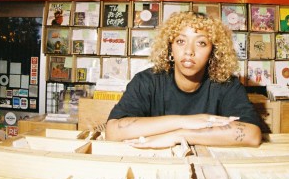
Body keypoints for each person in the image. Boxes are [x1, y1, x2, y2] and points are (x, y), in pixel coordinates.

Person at [105, 10, 262, 148]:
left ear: (213, 52)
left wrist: (179, 135)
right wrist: (187, 121)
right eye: (180, 41)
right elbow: (112, 131)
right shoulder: (146, 81)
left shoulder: (226, 85)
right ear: (170, 48)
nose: (189, 51)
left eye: (201, 43)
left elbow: (252, 134)